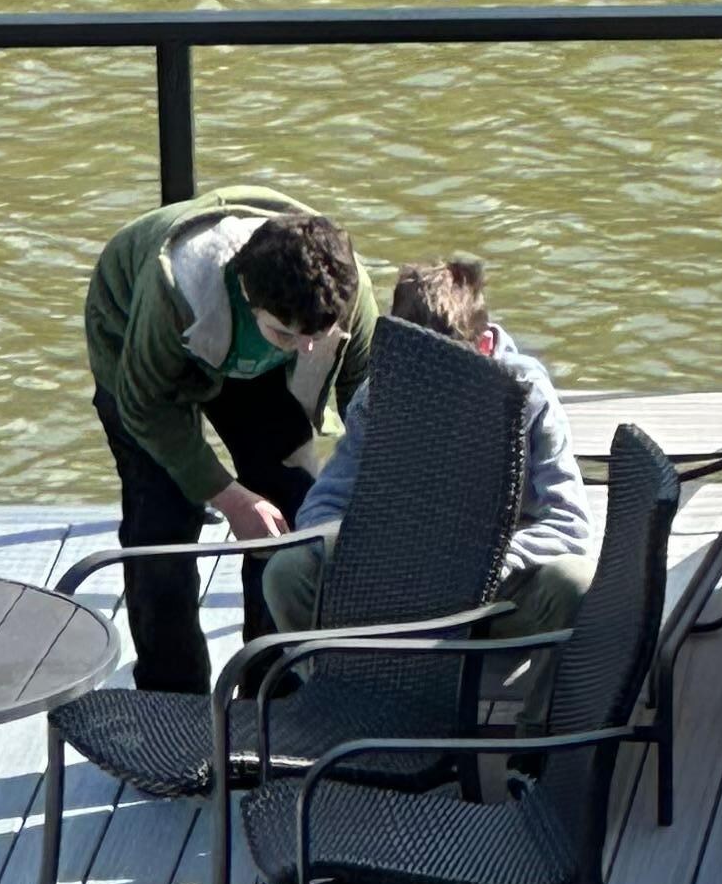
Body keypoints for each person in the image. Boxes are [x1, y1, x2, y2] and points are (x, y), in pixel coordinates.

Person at [83, 194, 380, 694]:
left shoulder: (351, 302)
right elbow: (143, 406)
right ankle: (171, 697)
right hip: (142, 347)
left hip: (258, 370)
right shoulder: (176, 285)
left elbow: (371, 410)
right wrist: (229, 496)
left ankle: (271, 691)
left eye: (319, 337)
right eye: (287, 334)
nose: (309, 349)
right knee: (163, 523)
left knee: (293, 511)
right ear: (247, 293)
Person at [263, 260, 597, 666]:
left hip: (492, 593)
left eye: (451, 366)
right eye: (417, 363)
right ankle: (338, 690)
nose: (430, 383)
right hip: (398, 580)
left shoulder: (530, 396)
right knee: (287, 572)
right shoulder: (381, 395)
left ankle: (535, 718)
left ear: (485, 346)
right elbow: (322, 506)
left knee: (575, 584)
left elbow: (569, 523)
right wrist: (374, 550)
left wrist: (487, 562)